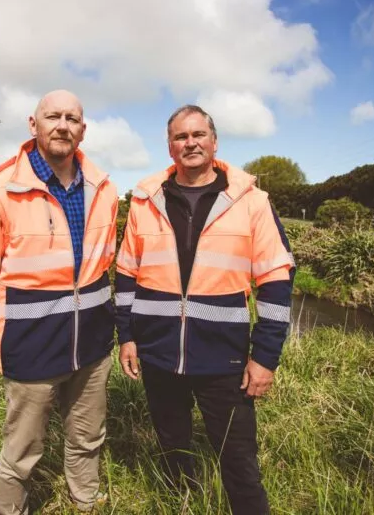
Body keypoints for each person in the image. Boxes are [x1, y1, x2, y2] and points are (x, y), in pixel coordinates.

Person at [115, 104, 294, 514]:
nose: (190, 143)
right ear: (170, 146)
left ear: (214, 141)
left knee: (239, 463)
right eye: (181, 136)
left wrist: (265, 357)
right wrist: (126, 336)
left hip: (224, 358)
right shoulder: (146, 201)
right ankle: (185, 506)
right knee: (174, 452)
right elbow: (127, 273)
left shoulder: (252, 202)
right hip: (158, 354)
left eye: (198, 135)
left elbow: (276, 281)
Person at [0, 90, 118, 514]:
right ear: (34, 125)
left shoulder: (105, 189)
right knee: (21, 453)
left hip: (93, 346)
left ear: (83, 130)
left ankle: (86, 502)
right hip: (31, 347)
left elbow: (105, 265)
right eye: (53, 116)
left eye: (72, 118)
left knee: (88, 437)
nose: (62, 125)